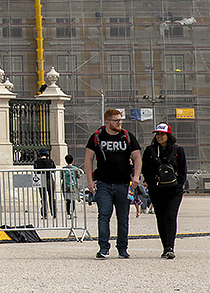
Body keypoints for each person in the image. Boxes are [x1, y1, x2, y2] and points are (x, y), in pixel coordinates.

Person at [84, 108, 142, 259]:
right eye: (116, 120)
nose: (119, 123)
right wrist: (89, 181)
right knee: (104, 215)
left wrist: (136, 176)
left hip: (124, 183)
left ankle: (122, 248)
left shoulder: (127, 136)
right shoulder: (97, 136)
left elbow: (137, 157)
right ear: (107, 122)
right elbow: (88, 159)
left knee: (123, 217)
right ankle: (104, 248)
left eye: (120, 120)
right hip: (103, 183)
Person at [141, 122, 188, 260]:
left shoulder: (178, 151)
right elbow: (146, 170)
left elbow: (183, 170)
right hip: (157, 189)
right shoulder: (150, 151)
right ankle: (165, 246)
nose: (159, 136)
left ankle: (170, 247)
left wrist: (179, 185)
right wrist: (152, 185)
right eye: (157, 134)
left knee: (170, 216)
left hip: (174, 190)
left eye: (162, 134)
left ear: (168, 135)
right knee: (160, 217)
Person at [33, 148, 57, 220]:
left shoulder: (37, 162)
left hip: (41, 179)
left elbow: (35, 171)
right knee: (52, 197)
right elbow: (54, 169)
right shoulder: (50, 161)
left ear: (40, 154)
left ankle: (44, 214)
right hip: (49, 179)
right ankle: (54, 213)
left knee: (43, 198)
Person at [61, 154, 80, 218]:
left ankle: (68, 213)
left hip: (65, 186)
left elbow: (61, 177)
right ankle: (72, 212)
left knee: (67, 200)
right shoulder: (75, 169)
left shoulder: (63, 169)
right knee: (73, 200)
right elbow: (78, 176)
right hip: (73, 186)